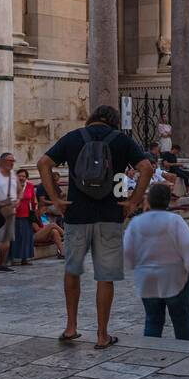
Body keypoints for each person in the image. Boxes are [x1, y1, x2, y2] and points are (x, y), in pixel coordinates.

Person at [38, 105, 152, 350]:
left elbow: (43, 163)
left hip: (76, 214)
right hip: (110, 215)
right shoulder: (122, 140)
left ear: (91, 119)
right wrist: (133, 201)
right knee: (105, 276)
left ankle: (71, 326)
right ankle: (102, 334)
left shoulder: (73, 137)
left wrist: (56, 199)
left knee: (72, 270)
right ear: (113, 121)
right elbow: (146, 168)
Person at [125, 183, 189, 340]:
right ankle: (184, 354)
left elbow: (127, 253)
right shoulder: (175, 221)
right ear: (168, 200)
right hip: (174, 277)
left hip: (148, 278)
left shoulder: (137, 222)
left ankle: (152, 354)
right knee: (181, 320)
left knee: (152, 319)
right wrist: (187, 267)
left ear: (149, 200)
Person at [12, 169, 38, 266]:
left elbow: (33, 199)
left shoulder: (30, 185)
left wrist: (35, 210)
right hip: (15, 214)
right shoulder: (13, 186)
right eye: (20, 176)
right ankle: (14, 258)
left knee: (26, 237)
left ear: (26, 177)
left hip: (27, 214)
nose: (21, 178)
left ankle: (25, 258)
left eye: (23, 176)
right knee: (16, 237)